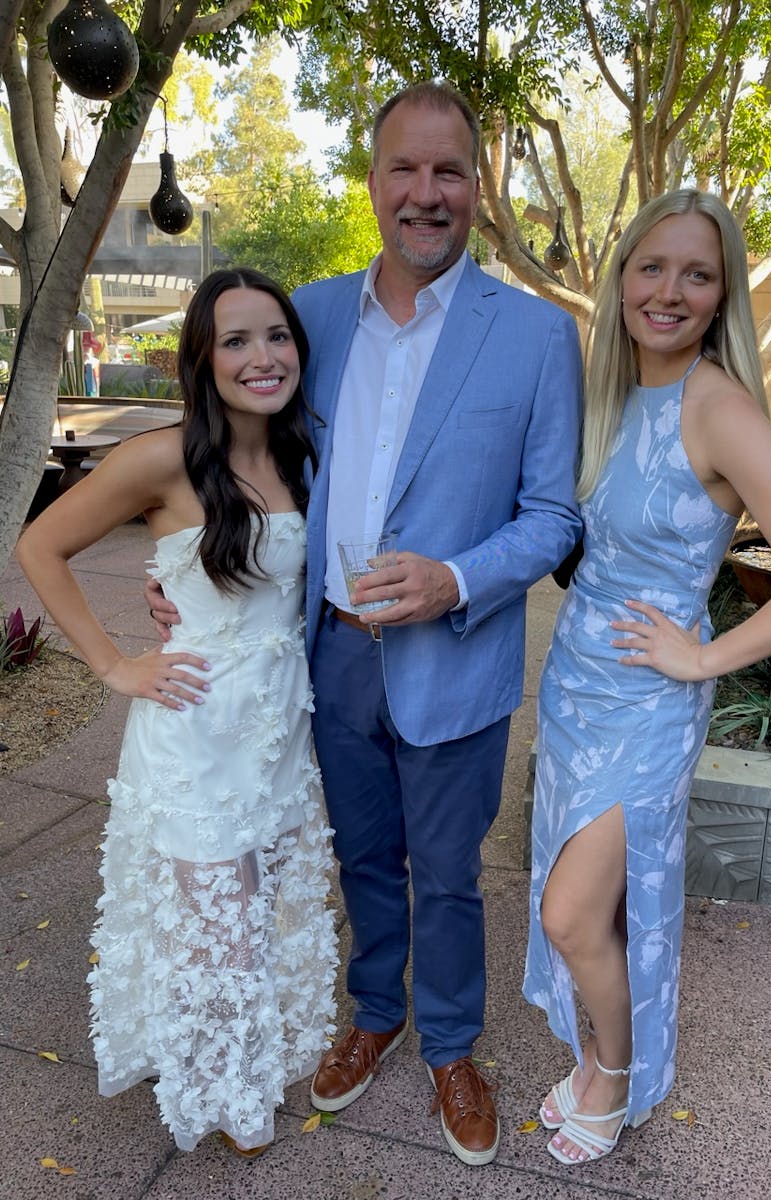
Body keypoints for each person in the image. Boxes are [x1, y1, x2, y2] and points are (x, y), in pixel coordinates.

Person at [149, 81, 582, 1167]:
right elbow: (242, 456)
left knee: (445, 869)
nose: (426, 194)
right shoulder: (314, 316)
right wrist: (189, 572)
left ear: (478, 188)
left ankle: (449, 1044)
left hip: (458, 657)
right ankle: (373, 1015)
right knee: (361, 860)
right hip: (328, 653)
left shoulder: (535, 338)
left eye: (450, 173)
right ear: (374, 178)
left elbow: (553, 517)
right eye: (406, 169)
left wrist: (456, 578)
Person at [523, 189, 771, 1167]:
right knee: (587, 905)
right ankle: (594, 1062)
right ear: (622, 276)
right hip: (577, 681)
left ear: (722, 297)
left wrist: (706, 656)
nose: (669, 290)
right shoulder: (608, 389)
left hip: (646, 701)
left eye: (697, 274)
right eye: (652, 266)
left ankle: (621, 1079)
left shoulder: (718, 409)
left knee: (571, 913)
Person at [17, 268, 338, 1155]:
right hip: (193, 726)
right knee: (215, 930)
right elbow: (41, 546)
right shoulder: (161, 456)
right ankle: (224, 1096)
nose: (262, 357)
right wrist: (116, 664)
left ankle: (235, 1060)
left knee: (260, 909)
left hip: (279, 728)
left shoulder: (305, 450)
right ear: (204, 359)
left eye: (276, 336)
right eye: (235, 340)